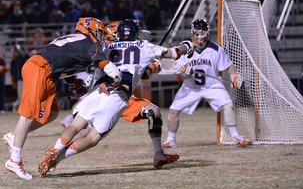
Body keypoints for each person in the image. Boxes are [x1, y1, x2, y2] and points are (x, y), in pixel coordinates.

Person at [37, 19, 195, 176]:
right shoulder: (146, 47)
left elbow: (130, 66)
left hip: (98, 89)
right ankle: (57, 159)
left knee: (75, 125)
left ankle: (54, 150)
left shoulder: (106, 47)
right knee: (92, 138)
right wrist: (187, 46)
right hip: (118, 93)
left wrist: (147, 68)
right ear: (135, 33)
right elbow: (174, 53)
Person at [2, 17, 122, 180]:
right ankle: (14, 161)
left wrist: (75, 83)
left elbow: (64, 61)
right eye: (99, 32)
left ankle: (14, 136)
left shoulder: (75, 40)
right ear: (92, 29)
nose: (101, 36)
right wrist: (118, 78)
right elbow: (107, 67)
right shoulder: (88, 42)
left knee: (52, 113)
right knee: (28, 115)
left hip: (46, 70)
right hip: (41, 68)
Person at [162, 19, 250, 148]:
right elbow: (180, 72)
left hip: (212, 84)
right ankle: (171, 139)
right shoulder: (185, 49)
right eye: (198, 29)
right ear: (192, 31)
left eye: (203, 29)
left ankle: (235, 135)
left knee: (229, 105)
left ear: (207, 31)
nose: (201, 32)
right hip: (190, 87)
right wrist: (184, 73)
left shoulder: (215, 49)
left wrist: (235, 75)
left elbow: (228, 64)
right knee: (173, 111)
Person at [10, 45, 30, 113]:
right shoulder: (18, 59)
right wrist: (15, 79)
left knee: (28, 94)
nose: (23, 52)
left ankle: (28, 109)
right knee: (20, 95)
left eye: (24, 51)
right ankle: (22, 109)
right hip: (20, 79)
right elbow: (15, 70)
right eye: (22, 51)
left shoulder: (29, 58)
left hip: (28, 79)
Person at [0, 50, 8, 114]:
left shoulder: (2, 58)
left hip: (1, 78)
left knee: (1, 93)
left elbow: (6, 68)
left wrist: (1, 68)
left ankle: (2, 108)